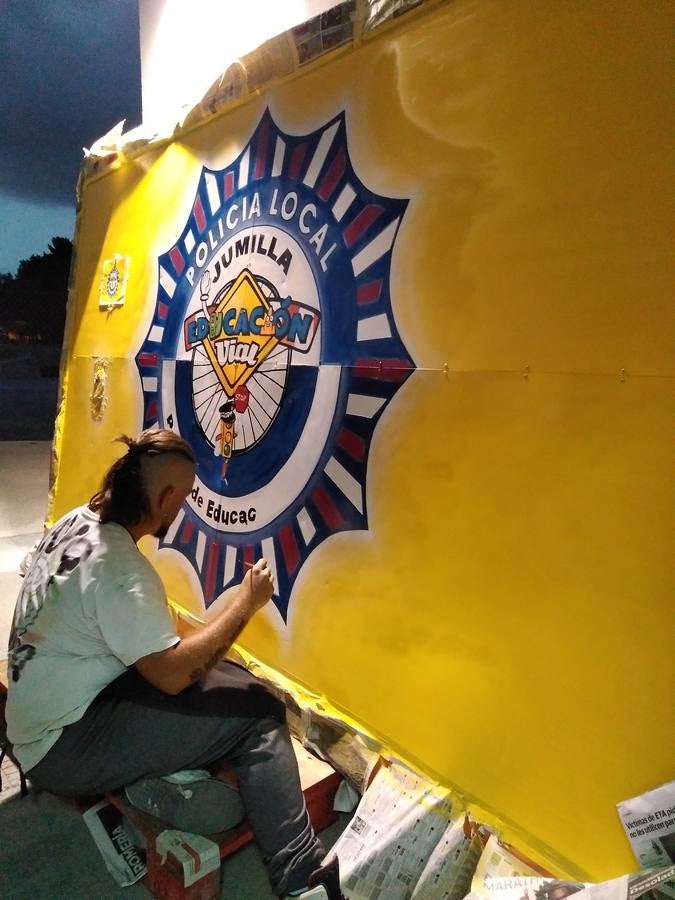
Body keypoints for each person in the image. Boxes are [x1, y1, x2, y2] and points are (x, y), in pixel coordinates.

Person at [5, 428, 345, 900]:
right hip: (61, 747)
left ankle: (165, 772)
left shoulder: (78, 520)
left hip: (45, 713)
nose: (183, 507)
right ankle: (301, 880)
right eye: (183, 497)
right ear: (163, 497)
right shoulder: (121, 569)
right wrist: (246, 604)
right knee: (261, 714)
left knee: (231, 680)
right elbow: (170, 677)